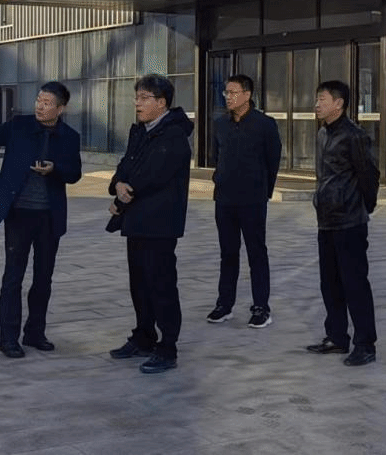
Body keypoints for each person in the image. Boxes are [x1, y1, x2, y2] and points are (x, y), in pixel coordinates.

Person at [0, 82, 82, 358]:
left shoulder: (70, 136)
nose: (40, 106)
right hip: (18, 214)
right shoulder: (19, 125)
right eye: (38, 100)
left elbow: (74, 173)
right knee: (13, 277)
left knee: (43, 278)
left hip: (49, 217)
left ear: (60, 109)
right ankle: (8, 338)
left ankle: (35, 333)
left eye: (47, 103)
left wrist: (55, 169)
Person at [107, 74, 193, 374]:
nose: (137, 103)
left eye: (144, 98)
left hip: (160, 224)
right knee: (140, 284)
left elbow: (153, 175)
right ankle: (144, 336)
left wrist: (123, 195)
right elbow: (126, 165)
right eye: (137, 97)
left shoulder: (174, 136)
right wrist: (117, 184)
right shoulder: (141, 131)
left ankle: (167, 348)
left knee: (161, 285)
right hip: (137, 221)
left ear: (162, 102)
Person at [306, 80, 379, 367]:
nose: (317, 104)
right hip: (326, 220)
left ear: (339, 103)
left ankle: (365, 344)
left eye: (322, 99)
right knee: (330, 283)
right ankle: (336, 336)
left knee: (354, 284)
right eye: (317, 99)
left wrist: (363, 207)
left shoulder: (354, 136)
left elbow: (369, 176)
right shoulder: (322, 133)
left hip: (349, 222)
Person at [207, 74, 282, 328]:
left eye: (233, 93)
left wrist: (263, 192)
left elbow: (273, 161)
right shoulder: (221, 124)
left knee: (256, 253)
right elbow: (217, 157)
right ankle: (224, 304)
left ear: (247, 95)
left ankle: (261, 307)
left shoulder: (264, 124)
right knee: (227, 253)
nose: (228, 97)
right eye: (226, 93)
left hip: (253, 200)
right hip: (224, 200)